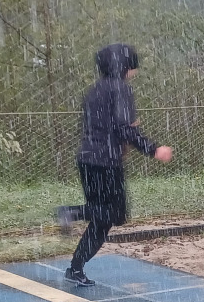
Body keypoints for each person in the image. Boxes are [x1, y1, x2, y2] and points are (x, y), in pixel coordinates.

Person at [58, 43, 172, 286]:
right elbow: (123, 128)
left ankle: (75, 269)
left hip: (87, 159)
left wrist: (121, 134)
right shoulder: (120, 89)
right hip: (106, 163)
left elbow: (100, 125)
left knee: (101, 217)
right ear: (125, 66)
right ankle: (71, 212)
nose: (135, 73)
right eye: (133, 67)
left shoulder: (94, 90)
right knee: (114, 214)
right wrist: (154, 149)